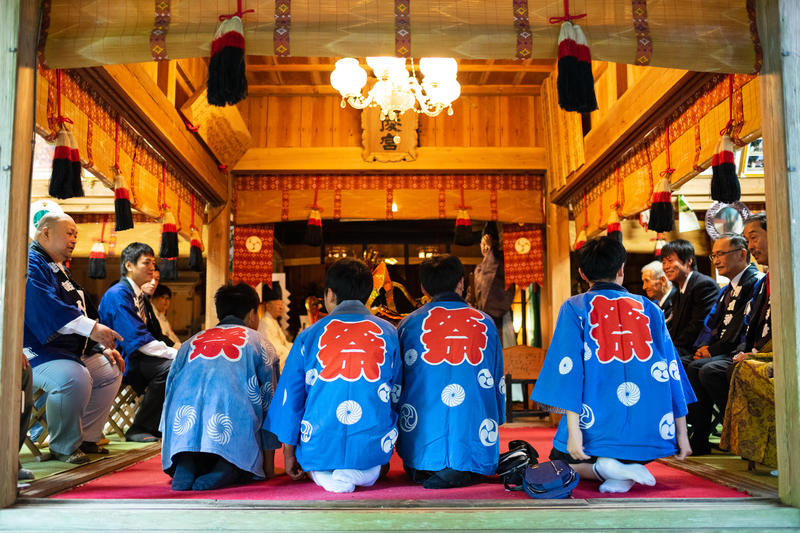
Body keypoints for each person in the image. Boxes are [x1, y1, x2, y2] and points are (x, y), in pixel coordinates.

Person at [531, 237, 695, 493]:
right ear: (621, 269)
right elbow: (672, 370)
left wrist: (574, 434)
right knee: (629, 449)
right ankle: (621, 469)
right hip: (644, 438)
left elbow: (569, 372)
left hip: (593, 435)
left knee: (557, 464)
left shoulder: (575, 307)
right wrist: (681, 435)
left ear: (582, 273)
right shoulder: (651, 309)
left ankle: (604, 468)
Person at [265, 258, 402, 493]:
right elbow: (397, 392)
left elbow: (291, 398)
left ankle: (322, 474)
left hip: (319, 444)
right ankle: (364, 472)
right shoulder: (388, 332)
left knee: (312, 460)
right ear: (368, 294)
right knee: (379, 463)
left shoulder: (309, 335)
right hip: (370, 444)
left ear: (330, 294)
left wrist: (288, 453)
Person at [396, 255, 505, 489]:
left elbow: (398, 382)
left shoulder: (409, 324)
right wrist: (498, 415)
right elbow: (497, 378)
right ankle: (461, 467)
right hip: (473, 447)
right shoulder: (484, 322)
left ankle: (431, 466)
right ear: (461, 283)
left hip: (420, 453)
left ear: (423, 287)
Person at [24, 213, 125, 463]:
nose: (74, 239)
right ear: (46, 232)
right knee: (73, 377)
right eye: (69, 233)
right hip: (34, 350)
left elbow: (81, 312)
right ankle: (63, 446)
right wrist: (93, 330)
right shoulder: (31, 262)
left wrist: (98, 347)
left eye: (76, 235)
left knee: (110, 368)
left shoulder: (59, 269)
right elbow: (45, 308)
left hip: (65, 351)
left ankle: (86, 438)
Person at [161, 283, 280, 491]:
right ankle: (228, 467)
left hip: (183, 434)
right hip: (230, 437)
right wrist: (268, 468)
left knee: (191, 424)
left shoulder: (190, 343)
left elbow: (169, 397)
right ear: (252, 314)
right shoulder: (259, 343)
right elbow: (270, 405)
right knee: (237, 419)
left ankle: (186, 463)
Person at [684, 234, 762, 455]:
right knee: (684, 364)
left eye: (721, 254)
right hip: (722, 348)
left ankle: (732, 430)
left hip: (738, 349)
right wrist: (703, 347)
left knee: (704, 369)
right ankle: (698, 435)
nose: (716, 260)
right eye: (714, 255)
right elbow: (711, 324)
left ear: (742, 254)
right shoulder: (728, 288)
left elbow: (741, 327)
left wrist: (712, 350)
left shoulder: (753, 282)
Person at [99, 243, 177, 442]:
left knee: (178, 365)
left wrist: (180, 350)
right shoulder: (118, 294)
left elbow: (155, 334)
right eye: (146, 263)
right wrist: (175, 354)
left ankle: (158, 424)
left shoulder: (139, 296)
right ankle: (140, 427)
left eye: (153, 263)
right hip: (121, 357)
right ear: (129, 265)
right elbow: (137, 339)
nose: (152, 267)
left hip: (138, 356)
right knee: (169, 367)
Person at [721, 213, 775, 467]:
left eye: (754, 238)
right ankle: (751, 449)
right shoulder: (765, 281)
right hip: (760, 351)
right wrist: (751, 350)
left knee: (736, 369)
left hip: (778, 354)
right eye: (747, 240)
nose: (751, 246)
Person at [661, 239, 719, 364]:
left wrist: (671, 346)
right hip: (683, 347)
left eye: (670, 260)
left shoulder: (704, 285)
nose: (666, 267)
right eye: (664, 262)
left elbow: (697, 326)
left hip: (697, 348)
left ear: (688, 261)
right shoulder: (677, 292)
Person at [467, 222, 514, 346]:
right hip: (481, 318)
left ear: (495, 245)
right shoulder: (479, 268)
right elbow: (473, 293)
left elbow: (497, 291)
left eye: (487, 244)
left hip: (500, 319)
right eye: (482, 244)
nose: (484, 247)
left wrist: (491, 251)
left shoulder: (501, 265)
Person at [258, 283, 292, 369]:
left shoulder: (273, 321)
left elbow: (284, 343)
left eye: (281, 304)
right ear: (268, 306)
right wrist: (289, 352)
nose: (281, 308)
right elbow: (272, 348)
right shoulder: (266, 322)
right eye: (278, 305)